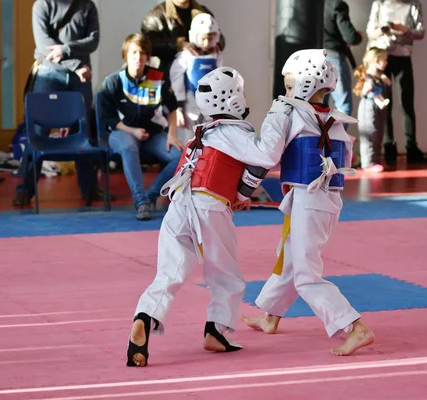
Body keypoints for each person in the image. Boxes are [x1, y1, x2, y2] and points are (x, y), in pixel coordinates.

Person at [126, 66, 281, 367]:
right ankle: (216, 330)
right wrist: (276, 118)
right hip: (209, 205)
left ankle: (145, 316)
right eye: (242, 92)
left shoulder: (203, 131)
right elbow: (266, 157)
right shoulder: (234, 131)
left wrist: (240, 195)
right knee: (227, 275)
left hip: (179, 205)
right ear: (232, 99)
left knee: (170, 272)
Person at [240, 49, 375, 356]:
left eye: (289, 86)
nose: (286, 93)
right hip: (326, 201)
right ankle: (271, 316)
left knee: (305, 275)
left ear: (305, 83)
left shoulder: (288, 112)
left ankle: (354, 327)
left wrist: (240, 178)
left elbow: (266, 155)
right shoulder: (336, 119)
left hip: (308, 198)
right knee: (289, 256)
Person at [14, 0, 102, 207]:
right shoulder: (42, 5)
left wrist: (66, 50)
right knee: (38, 132)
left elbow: (93, 41)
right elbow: (43, 44)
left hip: (80, 77)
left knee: (83, 132)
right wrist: (76, 64)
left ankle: (89, 189)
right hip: (50, 74)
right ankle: (24, 190)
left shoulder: (87, 5)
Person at [99, 34, 183, 221]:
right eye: (134, 52)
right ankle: (140, 201)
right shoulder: (113, 81)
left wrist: (172, 135)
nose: (139, 57)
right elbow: (108, 118)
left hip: (152, 135)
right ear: (126, 55)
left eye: (143, 53)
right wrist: (132, 131)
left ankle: (150, 197)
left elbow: (172, 109)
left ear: (148, 56)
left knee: (179, 157)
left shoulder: (159, 77)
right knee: (129, 146)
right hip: (122, 132)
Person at [366, 0, 427, 166]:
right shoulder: (379, 3)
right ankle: (389, 148)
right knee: (385, 103)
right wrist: (382, 30)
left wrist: (404, 29)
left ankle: (411, 148)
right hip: (382, 57)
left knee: (407, 102)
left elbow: (421, 32)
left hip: (403, 56)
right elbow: (370, 32)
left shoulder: (414, 4)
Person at [170, 13, 222, 144]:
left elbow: (221, 78)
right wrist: (179, 108)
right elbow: (176, 81)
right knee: (189, 139)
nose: (206, 43)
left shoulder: (217, 55)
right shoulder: (186, 56)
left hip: (211, 105)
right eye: (203, 38)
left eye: (210, 39)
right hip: (189, 104)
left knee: (210, 137)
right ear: (194, 36)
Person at [141, 0, 225, 76]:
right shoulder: (155, 15)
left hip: (202, 74)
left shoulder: (203, 12)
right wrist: (178, 45)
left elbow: (220, 38)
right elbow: (148, 45)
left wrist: (215, 43)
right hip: (167, 78)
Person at [323, 0, 364, 129]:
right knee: (343, 106)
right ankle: (336, 145)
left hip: (316, 60)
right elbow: (350, 37)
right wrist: (359, 36)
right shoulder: (337, 5)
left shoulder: (315, 4)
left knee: (319, 106)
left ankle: (320, 145)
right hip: (334, 58)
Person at [353, 47, 392, 172]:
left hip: (379, 108)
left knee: (379, 133)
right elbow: (362, 92)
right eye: (384, 60)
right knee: (370, 133)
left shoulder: (380, 76)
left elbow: (385, 92)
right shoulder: (367, 77)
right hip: (368, 109)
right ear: (376, 60)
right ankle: (368, 163)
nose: (386, 63)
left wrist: (387, 83)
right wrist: (367, 89)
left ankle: (375, 159)